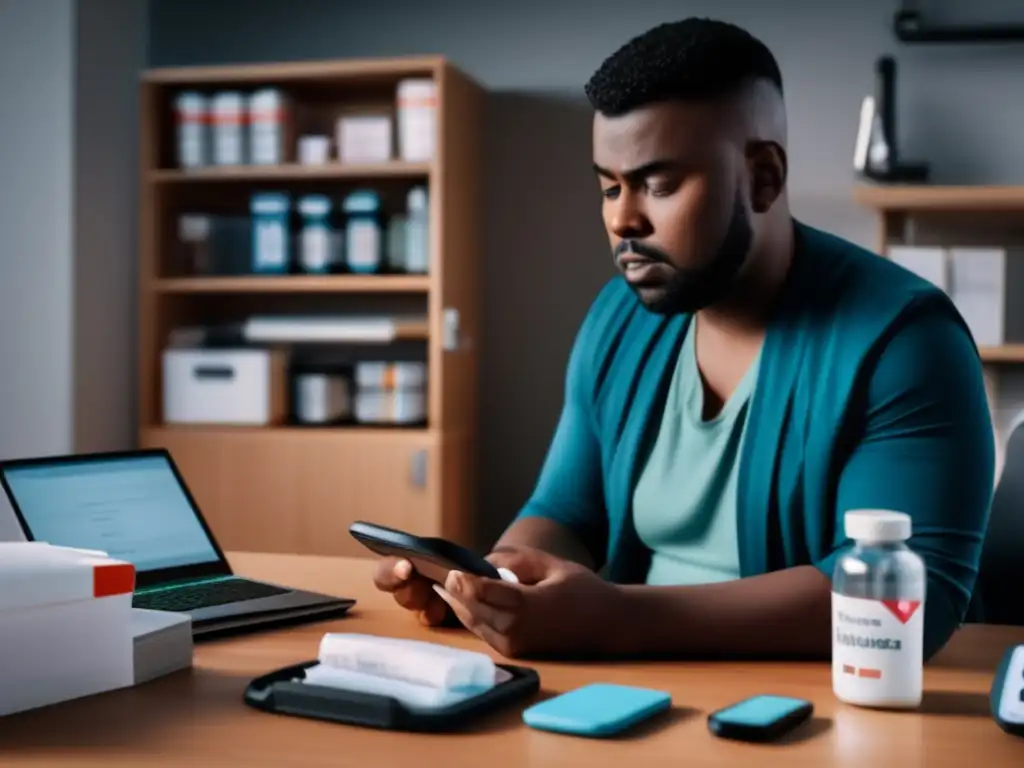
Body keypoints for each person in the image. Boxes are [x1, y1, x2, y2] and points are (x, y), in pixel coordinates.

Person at [373, 18, 995, 662]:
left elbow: (911, 595)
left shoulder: (905, 341)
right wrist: (490, 587)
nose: (622, 218)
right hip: (634, 687)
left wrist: (616, 620)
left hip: (814, 717)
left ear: (763, 176)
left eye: (659, 184)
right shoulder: (620, 319)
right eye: (610, 186)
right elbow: (565, 511)